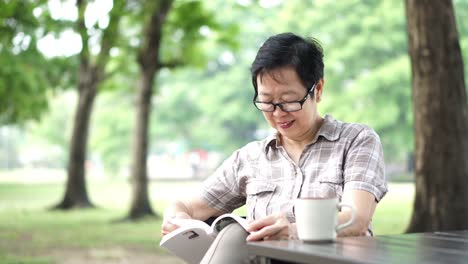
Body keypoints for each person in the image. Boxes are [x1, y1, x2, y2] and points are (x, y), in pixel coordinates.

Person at [161, 32, 388, 263]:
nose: (278, 113)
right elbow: (186, 205)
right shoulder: (250, 158)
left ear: (317, 90)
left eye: (289, 100)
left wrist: (291, 231)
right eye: (267, 102)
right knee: (233, 233)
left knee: (235, 236)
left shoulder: (356, 140)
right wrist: (177, 219)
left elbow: (356, 219)